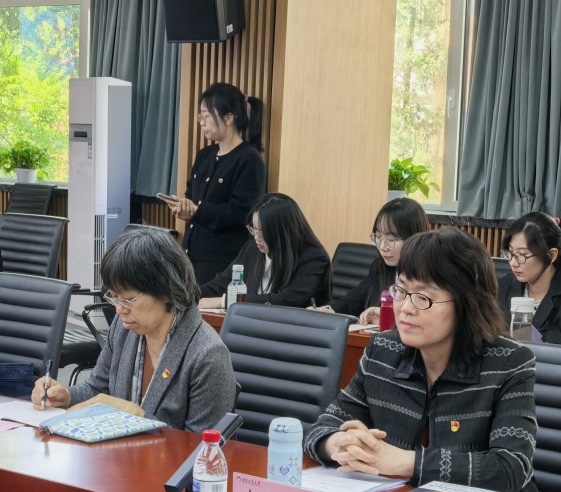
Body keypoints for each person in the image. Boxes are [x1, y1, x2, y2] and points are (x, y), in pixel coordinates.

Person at [304, 227, 537, 492]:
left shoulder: (509, 363)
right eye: (401, 291)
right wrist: (339, 443)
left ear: (467, 302)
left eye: (423, 298)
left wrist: (404, 461)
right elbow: (321, 428)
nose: (406, 309)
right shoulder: (383, 352)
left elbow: (510, 468)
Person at [32, 227, 238, 432]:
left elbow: (203, 446)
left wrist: (138, 417)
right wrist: (65, 396)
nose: (119, 309)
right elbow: (97, 389)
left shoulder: (207, 354)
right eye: (114, 297)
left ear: (166, 290)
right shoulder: (124, 329)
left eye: (129, 299)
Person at [165, 82, 266, 284]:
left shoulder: (249, 159)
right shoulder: (204, 155)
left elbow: (242, 213)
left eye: (206, 116)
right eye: (200, 117)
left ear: (228, 118)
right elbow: (192, 197)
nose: (201, 122)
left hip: (223, 262)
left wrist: (197, 210)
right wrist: (184, 208)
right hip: (191, 253)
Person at [198, 193, 330, 308]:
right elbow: (220, 284)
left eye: (262, 232)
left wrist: (226, 301)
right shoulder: (251, 250)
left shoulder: (314, 259)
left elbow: (285, 301)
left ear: (283, 231)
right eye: (254, 229)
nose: (256, 237)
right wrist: (190, 294)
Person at [318, 197, 429, 322]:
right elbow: (353, 301)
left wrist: (389, 316)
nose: (383, 247)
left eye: (391, 239)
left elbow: (429, 319)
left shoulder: (429, 273)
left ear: (414, 238)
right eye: (378, 237)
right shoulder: (380, 266)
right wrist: (327, 311)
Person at [498, 212, 561, 344]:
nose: (513, 263)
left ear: (551, 255)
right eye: (510, 253)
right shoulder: (502, 287)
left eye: (522, 255)